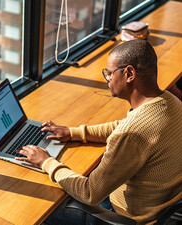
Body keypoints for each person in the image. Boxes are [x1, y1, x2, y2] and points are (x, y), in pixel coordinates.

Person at [15, 40, 182, 224]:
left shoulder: (131, 133)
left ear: (129, 74)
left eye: (109, 74)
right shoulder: (171, 101)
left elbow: (89, 193)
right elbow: (123, 125)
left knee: (42, 207)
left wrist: (46, 162)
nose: (107, 80)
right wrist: (74, 133)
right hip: (164, 205)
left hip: (129, 217)